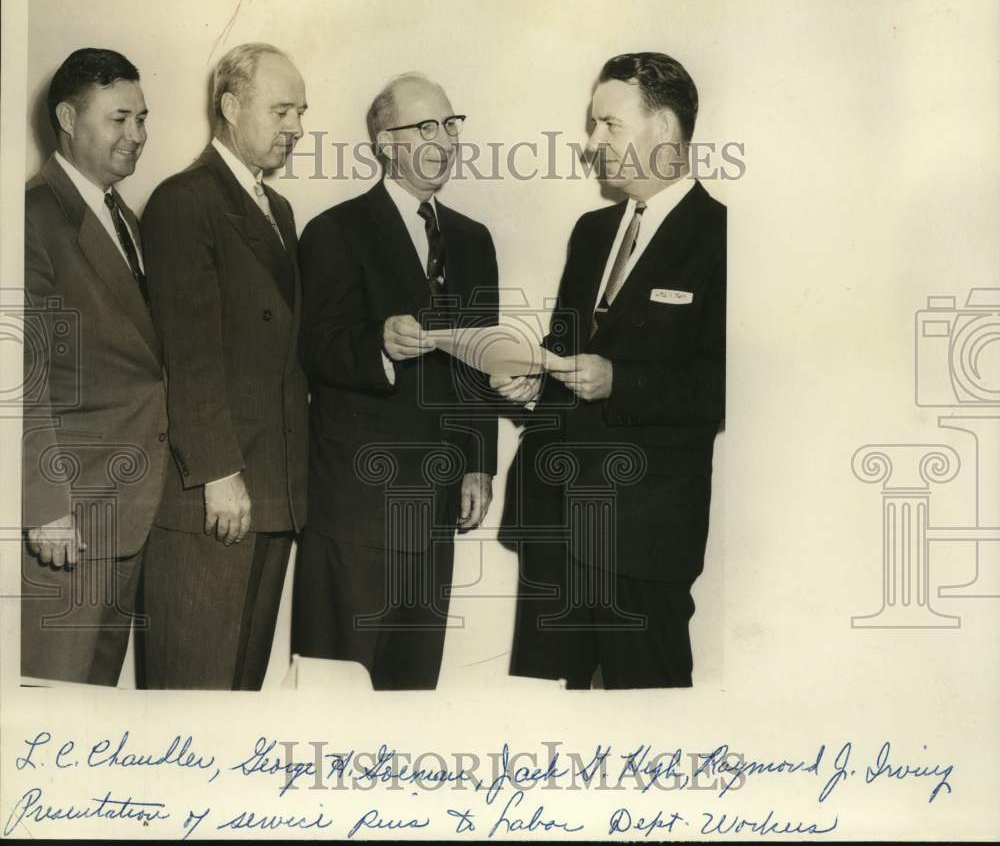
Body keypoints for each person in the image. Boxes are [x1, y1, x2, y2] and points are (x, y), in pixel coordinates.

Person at [494, 52, 726, 689]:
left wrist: (621, 381)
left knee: (650, 725)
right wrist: (529, 378)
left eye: (609, 126)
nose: (593, 143)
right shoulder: (591, 231)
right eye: (593, 126)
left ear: (667, 131)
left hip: (643, 537)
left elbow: (724, 385)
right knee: (546, 730)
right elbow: (563, 347)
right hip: (554, 524)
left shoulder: (724, 236)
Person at [293, 73, 499, 690]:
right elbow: (315, 347)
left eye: (450, 124)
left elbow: (480, 362)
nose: (444, 139)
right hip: (355, 507)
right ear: (386, 143)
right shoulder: (334, 230)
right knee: (338, 694)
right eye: (425, 127)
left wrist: (479, 462)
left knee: (411, 695)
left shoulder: (474, 240)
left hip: (435, 508)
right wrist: (377, 343)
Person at [139, 43, 309, 690]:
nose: (296, 127)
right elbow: (190, 352)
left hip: (270, 494)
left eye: (301, 112)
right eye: (282, 109)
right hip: (217, 496)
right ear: (231, 107)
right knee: (192, 700)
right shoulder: (185, 199)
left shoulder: (279, 210)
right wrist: (218, 472)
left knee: (237, 698)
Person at [21, 48, 167, 685]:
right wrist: (46, 505)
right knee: (50, 708)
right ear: (67, 118)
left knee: (94, 711)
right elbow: (19, 383)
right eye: (118, 119)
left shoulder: (125, 220)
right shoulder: (30, 216)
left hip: (127, 513)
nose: (136, 136)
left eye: (142, 118)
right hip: (69, 519)